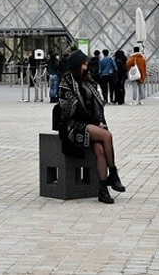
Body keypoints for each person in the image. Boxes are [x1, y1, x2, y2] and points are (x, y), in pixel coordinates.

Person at [58, 50, 125, 204]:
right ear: (78, 64)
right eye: (84, 61)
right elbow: (74, 109)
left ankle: (102, 189)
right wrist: (97, 123)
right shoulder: (66, 83)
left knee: (100, 150)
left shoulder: (88, 80)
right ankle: (113, 173)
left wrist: (97, 122)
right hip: (74, 124)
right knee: (107, 136)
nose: (87, 63)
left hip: (92, 123)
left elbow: (96, 104)